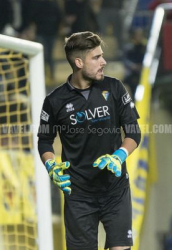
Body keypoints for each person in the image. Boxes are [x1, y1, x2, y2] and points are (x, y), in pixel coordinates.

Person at [37, 31, 141, 250]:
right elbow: (44, 141)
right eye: (96, 58)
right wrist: (51, 166)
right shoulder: (54, 101)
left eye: (102, 56)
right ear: (78, 62)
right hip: (78, 195)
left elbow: (133, 131)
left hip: (115, 189)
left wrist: (119, 156)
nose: (104, 62)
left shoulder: (114, 88)